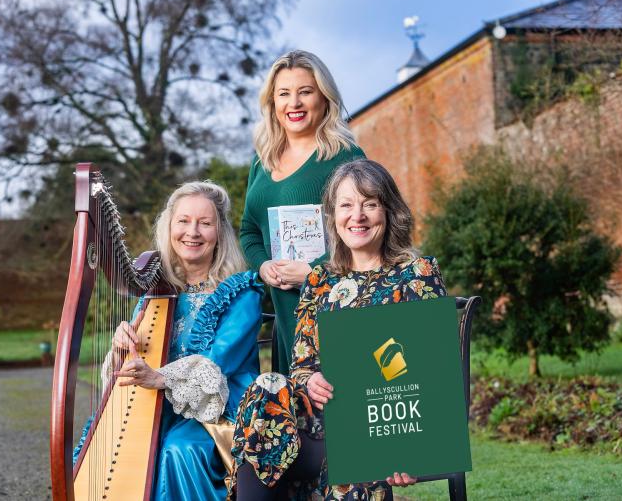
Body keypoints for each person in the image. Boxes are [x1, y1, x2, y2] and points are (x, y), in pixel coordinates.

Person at [231, 159, 448, 500]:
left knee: (272, 453)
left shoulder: (416, 275)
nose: (357, 216)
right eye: (346, 205)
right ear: (333, 216)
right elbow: (301, 365)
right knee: (266, 389)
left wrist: (410, 447)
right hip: (317, 428)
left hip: (379, 427)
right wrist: (309, 381)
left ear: (389, 211)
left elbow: (433, 369)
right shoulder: (319, 279)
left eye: (370, 204)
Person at [77, 181, 264, 501]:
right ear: (169, 227)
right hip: (160, 401)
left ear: (220, 233)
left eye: (205, 223)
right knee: (105, 448)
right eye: (184, 221)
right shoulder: (156, 291)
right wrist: (123, 345)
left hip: (219, 408)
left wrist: (160, 377)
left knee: (179, 450)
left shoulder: (241, 293)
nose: (193, 232)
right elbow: (136, 363)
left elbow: (217, 364)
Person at [240, 49, 365, 376]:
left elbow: (369, 238)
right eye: (284, 94)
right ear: (272, 102)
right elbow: (249, 231)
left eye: (305, 92)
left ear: (324, 99)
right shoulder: (262, 160)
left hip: (335, 312)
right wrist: (263, 265)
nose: (293, 103)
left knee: (338, 421)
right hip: (286, 316)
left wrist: (313, 273)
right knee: (296, 423)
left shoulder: (345, 157)